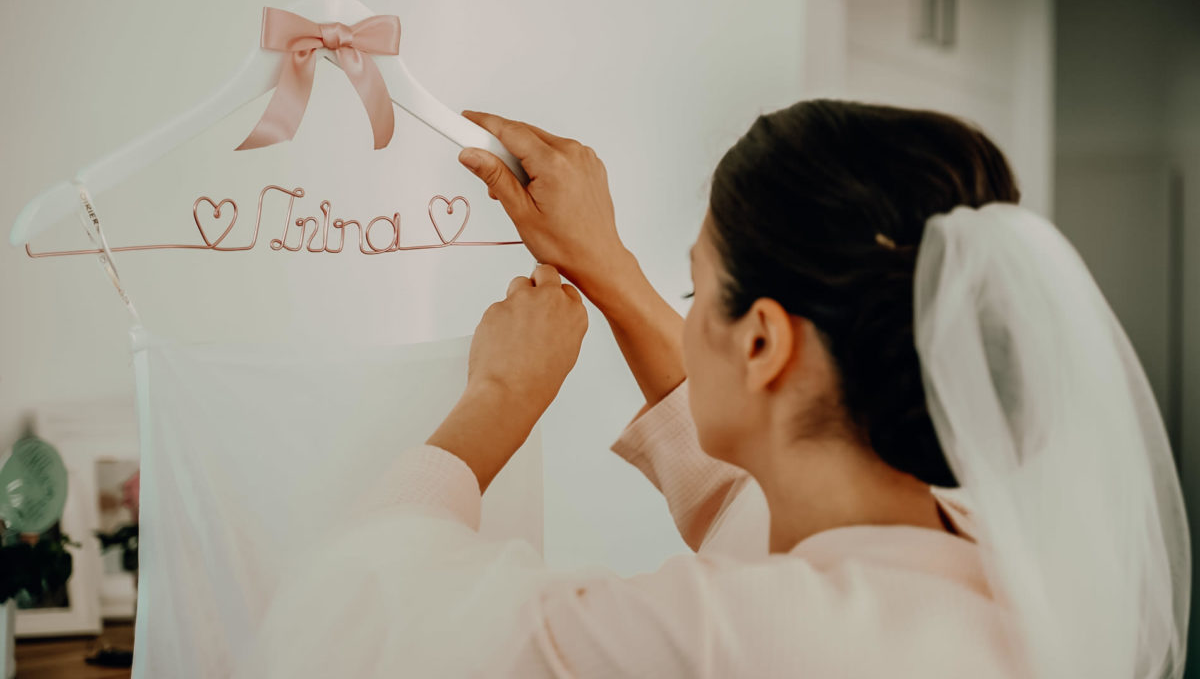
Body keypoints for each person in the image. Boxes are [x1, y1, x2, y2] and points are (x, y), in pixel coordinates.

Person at [236, 99, 1188, 678]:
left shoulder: (734, 636)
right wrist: (605, 270)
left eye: (695, 290)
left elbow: (348, 627)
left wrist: (499, 397)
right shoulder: (985, 566)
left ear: (766, 338)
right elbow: (745, 504)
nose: (681, 315)